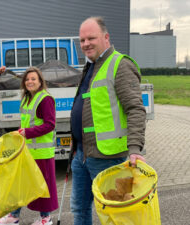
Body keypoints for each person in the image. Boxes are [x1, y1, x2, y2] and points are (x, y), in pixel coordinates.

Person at [70, 17, 146, 225]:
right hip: (82, 154)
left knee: (116, 214)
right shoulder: (91, 66)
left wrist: (135, 149)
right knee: (79, 208)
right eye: (82, 40)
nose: (85, 44)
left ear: (106, 37)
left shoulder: (119, 64)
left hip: (108, 156)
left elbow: (136, 109)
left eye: (91, 38)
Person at [0, 67, 58, 225]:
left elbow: (50, 125)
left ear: (40, 81)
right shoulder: (26, 99)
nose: (30, 81)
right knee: (21, 185)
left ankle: (46, 218)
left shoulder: (45, 99)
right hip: (27, 151)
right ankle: (14, 216)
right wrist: (20, 133)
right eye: (27, 79)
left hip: (41, 153)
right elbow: (26, 123)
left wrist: (28, 132)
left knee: (41, 187)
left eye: (33, 79)